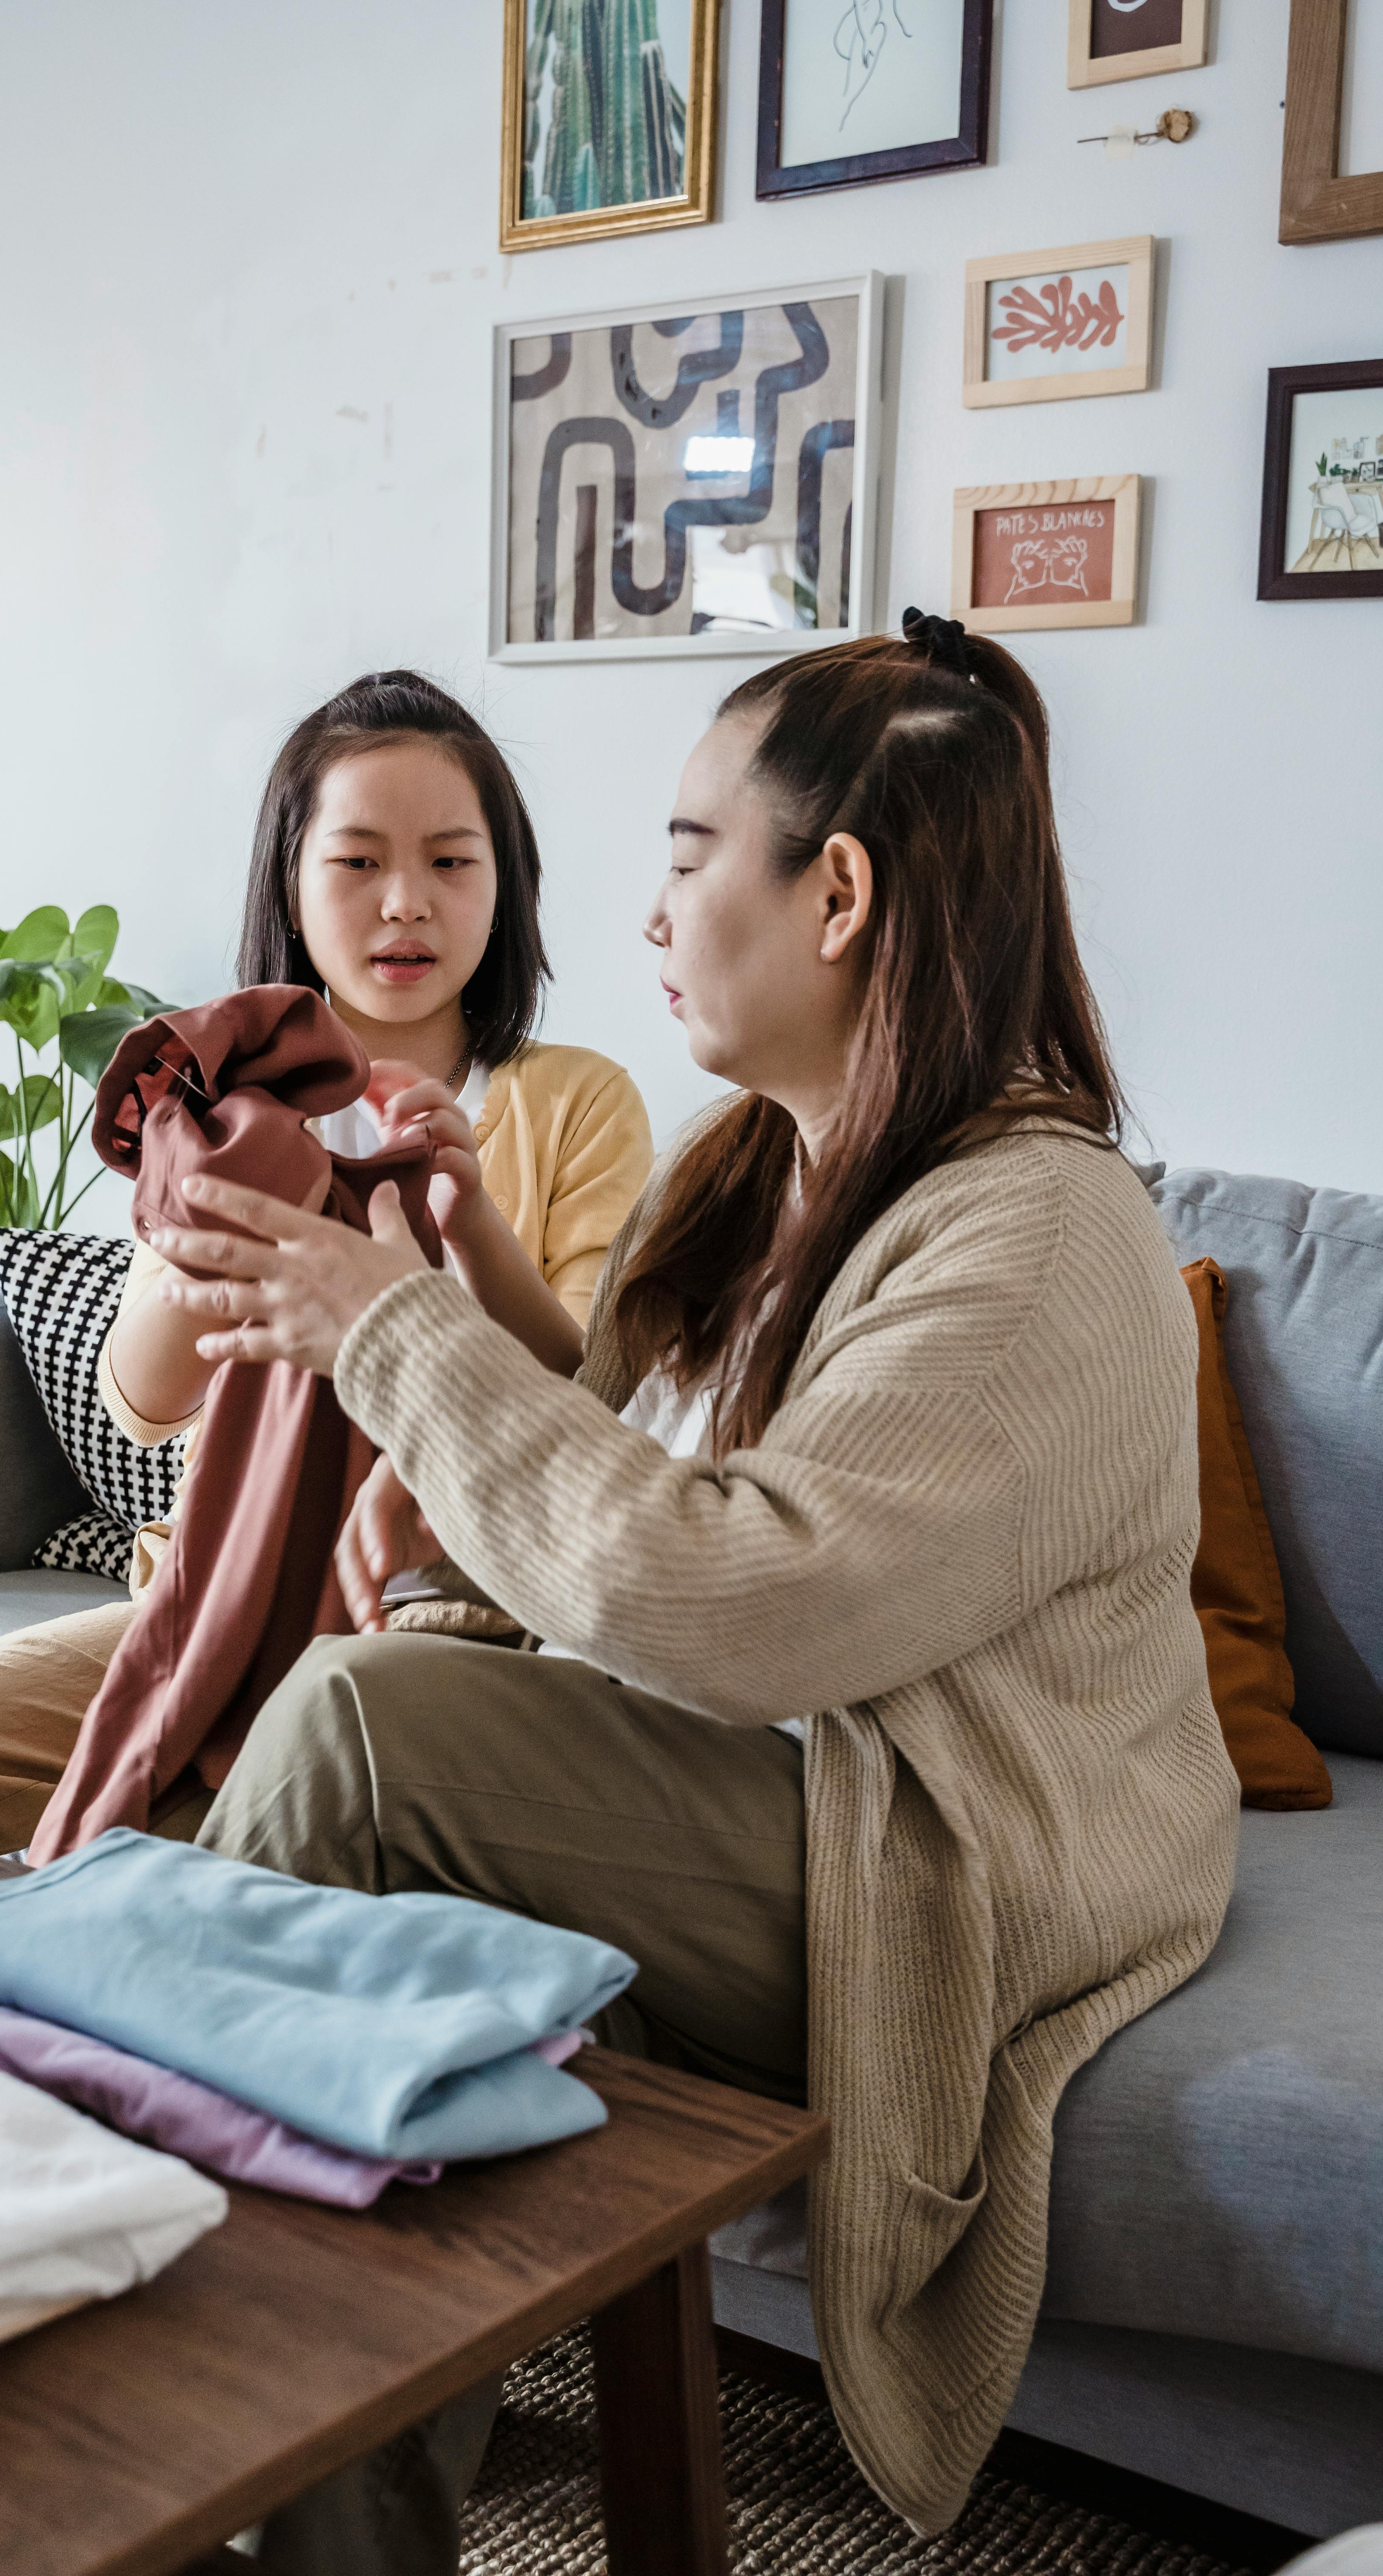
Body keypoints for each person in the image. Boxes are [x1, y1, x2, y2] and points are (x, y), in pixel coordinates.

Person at [150, 616, 1240, 2571]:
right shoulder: (756, 1165)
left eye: (679, 850)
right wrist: (455, 1412)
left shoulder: (1041, 1234)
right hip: (751, 1779)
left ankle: (133, 2391)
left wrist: (387, 1332)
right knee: (441, 1988)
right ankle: (310, 2532)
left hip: (946, 1847)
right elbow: (591, 1465)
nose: (648, 910)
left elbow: (741, 1599)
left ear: (834, 893)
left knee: (354, 1730)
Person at [0, 670, 653, 1853]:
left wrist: (468, 1221)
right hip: (196, 1602)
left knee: (210, 1865)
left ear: (507, 885)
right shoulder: (226, 1098)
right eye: (359, 862)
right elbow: (143, 1401)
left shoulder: (574, 1101)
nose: (406, 904)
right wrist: (218, 1206)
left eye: (452, 862)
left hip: (435, 1630)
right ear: (293, 880)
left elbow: (591, 1393)